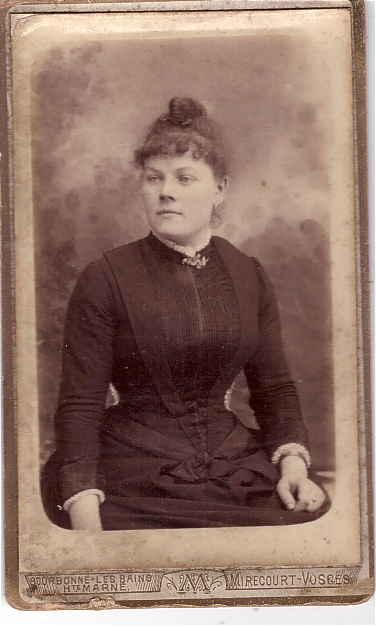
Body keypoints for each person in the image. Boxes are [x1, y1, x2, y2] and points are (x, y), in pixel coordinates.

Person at [41, 97, 329, 530]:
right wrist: (85, 518)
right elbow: (81, 405)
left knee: (300, 522)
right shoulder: (105, 277)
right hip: (132, 470)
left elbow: (275, 388)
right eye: (153, 178)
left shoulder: (247, 274)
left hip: (233, 464)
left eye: (184, 177)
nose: (165, 191)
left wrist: (293, 468)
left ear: (220, 189)